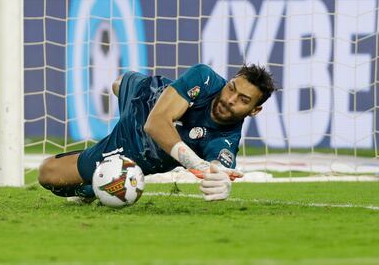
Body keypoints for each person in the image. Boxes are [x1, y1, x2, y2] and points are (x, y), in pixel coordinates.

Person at [38, 63, 275, 202]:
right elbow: (158, 121)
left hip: (132, 145)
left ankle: (92, 187)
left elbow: (218, 166)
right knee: (119, 83)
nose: (229, 99)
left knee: (48, 173)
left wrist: (220, 179)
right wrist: (194, 162)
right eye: (231, 88)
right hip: (147, 92)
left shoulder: (225, 141)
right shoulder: (205, 78)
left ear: (254, 110)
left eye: (242, 100)